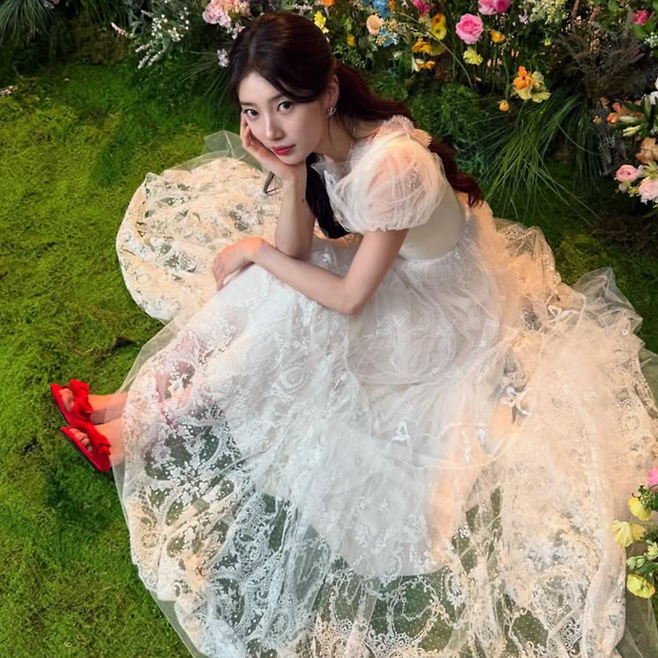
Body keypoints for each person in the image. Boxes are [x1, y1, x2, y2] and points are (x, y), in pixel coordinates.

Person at [50, 10, 658, 658]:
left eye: (285, 105)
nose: (269, 130)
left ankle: (146, 427)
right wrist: (288, 182)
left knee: (291, 299)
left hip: (440, 314)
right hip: (394, 274)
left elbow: (346, 297)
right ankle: (131, 405)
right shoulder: (319, 142)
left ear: (329, 92)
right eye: (253, 112)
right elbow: (297, 251)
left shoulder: (392, 166)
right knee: (269, 281)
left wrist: (257, 250)